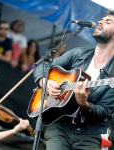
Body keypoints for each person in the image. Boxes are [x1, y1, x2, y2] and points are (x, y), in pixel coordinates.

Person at [34, 10, 114, 150]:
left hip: (89, 135)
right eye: (102, 19)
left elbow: (105, 112)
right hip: (59, 126)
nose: (100, 22)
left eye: (108, 22)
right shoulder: (78, 54)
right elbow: (44, 66)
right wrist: (44, 82)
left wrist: (84, 104)